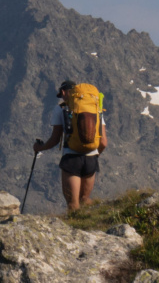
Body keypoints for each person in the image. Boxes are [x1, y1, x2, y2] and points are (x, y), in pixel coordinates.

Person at [33, 80, 106, 213]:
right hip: (91, 159)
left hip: (72, 159)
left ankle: (76, 233)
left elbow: (55, 139)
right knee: (85, 200)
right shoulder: (96, 107)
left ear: (63, 92)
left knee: (73, 205)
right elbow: (104, 142)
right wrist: (95, 155)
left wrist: (40, 148)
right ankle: (90, 229)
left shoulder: (61, 108)